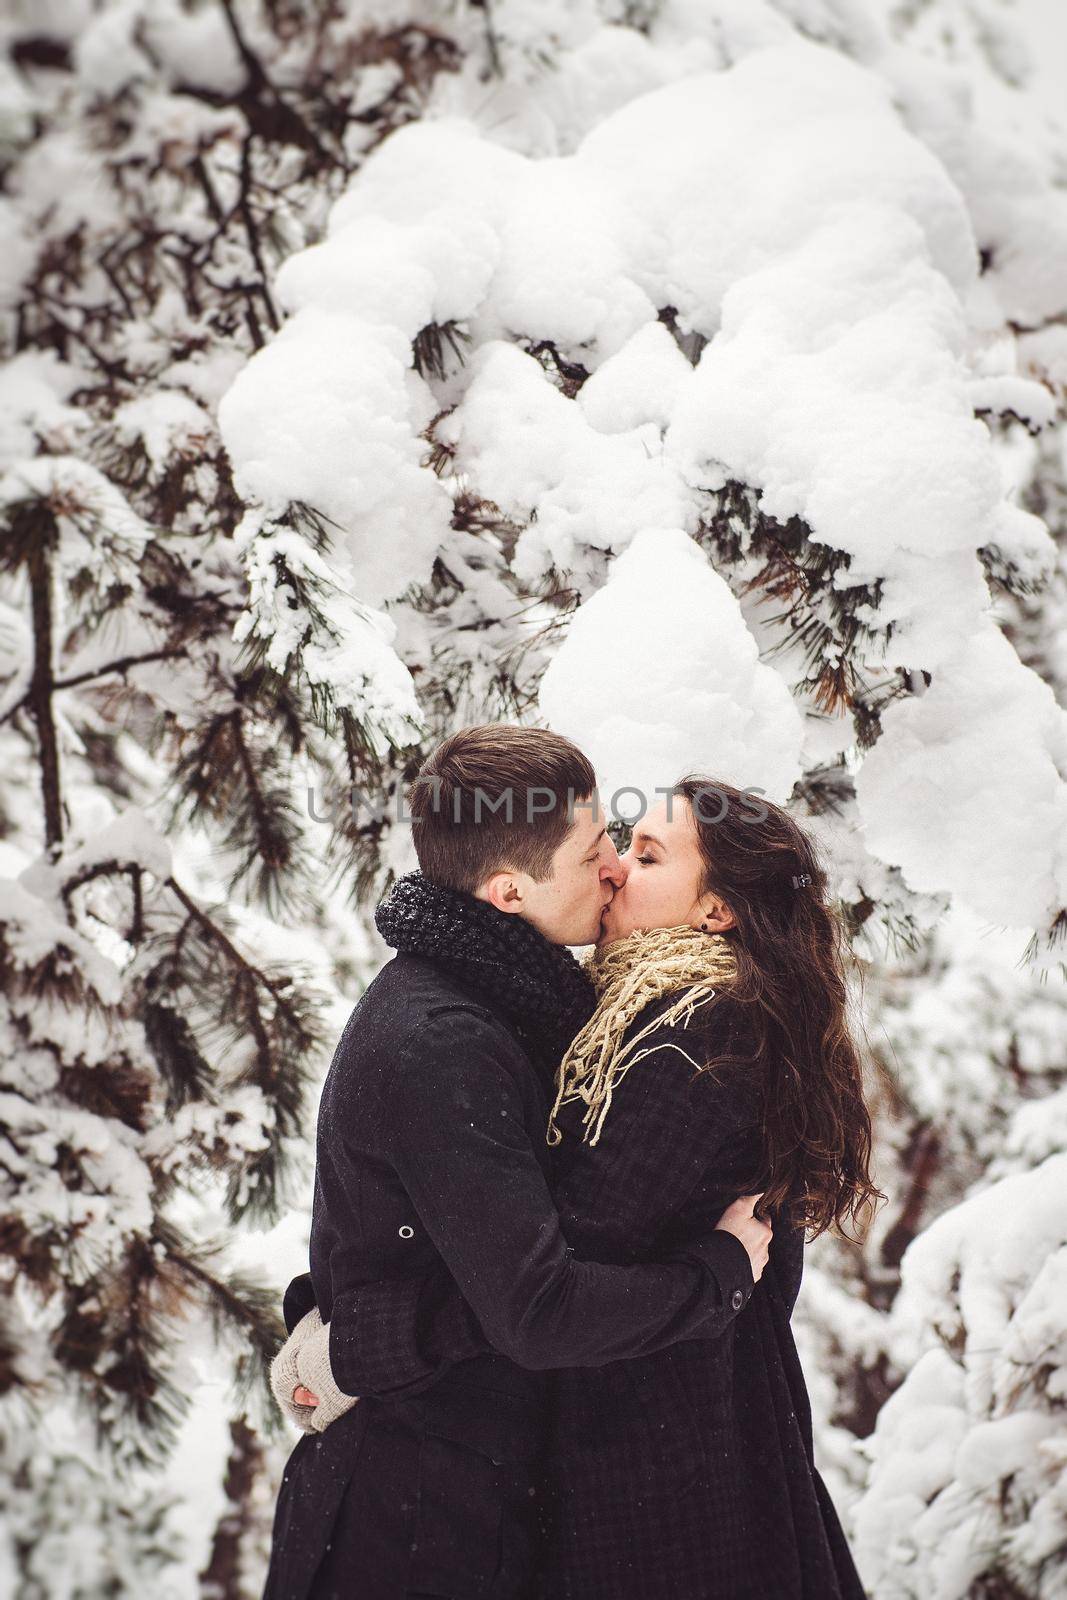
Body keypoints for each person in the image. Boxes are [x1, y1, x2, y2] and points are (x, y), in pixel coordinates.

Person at [277, 773, 881, 1599]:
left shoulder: (694, 1040)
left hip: (665, 1461)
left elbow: (544, 1291)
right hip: (639, 1436)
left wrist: (354, 1351)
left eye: (646, 852)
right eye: (615, 845)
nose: (617, 869)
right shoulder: (618, 1015)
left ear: (716, 911)